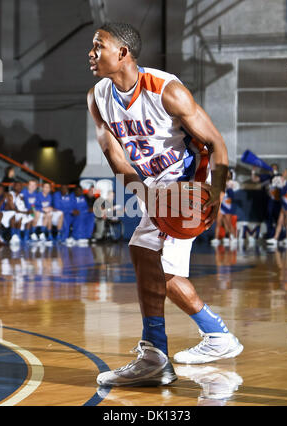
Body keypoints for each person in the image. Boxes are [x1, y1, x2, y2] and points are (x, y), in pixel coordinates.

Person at [87, 22, 243, 387]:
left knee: (156, 264)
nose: (91, 54)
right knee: (144, 253)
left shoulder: (167, 91)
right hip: (154, 185)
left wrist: (214, 197)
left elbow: (217, 144)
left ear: (122, 53)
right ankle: (199, 340)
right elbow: (115, 157)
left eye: (99, 46)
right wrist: (147, 196)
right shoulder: (98, 96)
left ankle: (159, 353)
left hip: (190, 181)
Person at [266, 169, 287, 247]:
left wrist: (280, 184)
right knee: (280, 222)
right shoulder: (285, 183)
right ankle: (275, 239)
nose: (283, 173)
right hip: (283, 205)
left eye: (284, 172)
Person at [251, 163, 282, 238]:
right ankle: (270, 234)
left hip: (278, 201)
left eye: (275, 168)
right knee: (269, 217)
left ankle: (280, 235)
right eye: (272, 168)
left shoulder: (280, 176)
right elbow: (254, 179)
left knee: (279, 218)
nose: (273, 170)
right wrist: (253, 171)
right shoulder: (266, 177)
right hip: (268, 200)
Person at [211, 169, 238, 247]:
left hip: (228, 204)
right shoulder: (220, 182)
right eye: (226, 173)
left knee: (228, 222)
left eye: (228, 174)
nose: (227, 175)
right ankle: (216, 238)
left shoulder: (233, 183)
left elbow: (234, 192)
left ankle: (233, 237)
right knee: (218, 222)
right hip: (221, 203)